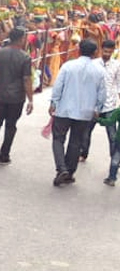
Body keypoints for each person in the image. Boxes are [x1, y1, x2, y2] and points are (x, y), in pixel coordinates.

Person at [49, 38, 106, 186]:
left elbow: (58, 86)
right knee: (76, 141)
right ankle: (69, 171)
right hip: (85, 112)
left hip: (64, 109)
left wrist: (53, 102)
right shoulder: (99, 70)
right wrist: (97, 109)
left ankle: (61, 168)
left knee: (58, 139)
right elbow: (102, 93)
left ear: (79, 50)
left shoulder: (68, 66)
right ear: (95, 53)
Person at [0, 28, 34, 167]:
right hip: (16, 97)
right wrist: (30, 99)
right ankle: (4, 155)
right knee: (11, 125)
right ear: (22, 38)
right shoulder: (25, 57)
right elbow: (27, 79)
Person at [99, 40, 120, 185]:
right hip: (96, 105)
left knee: (114, 143)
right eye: (105, 51)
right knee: (84, 134)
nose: (106, 54)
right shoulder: (94, 64)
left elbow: (118, 85)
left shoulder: (116, 65)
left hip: (109, 105)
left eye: (109, 52)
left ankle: (112, 175)